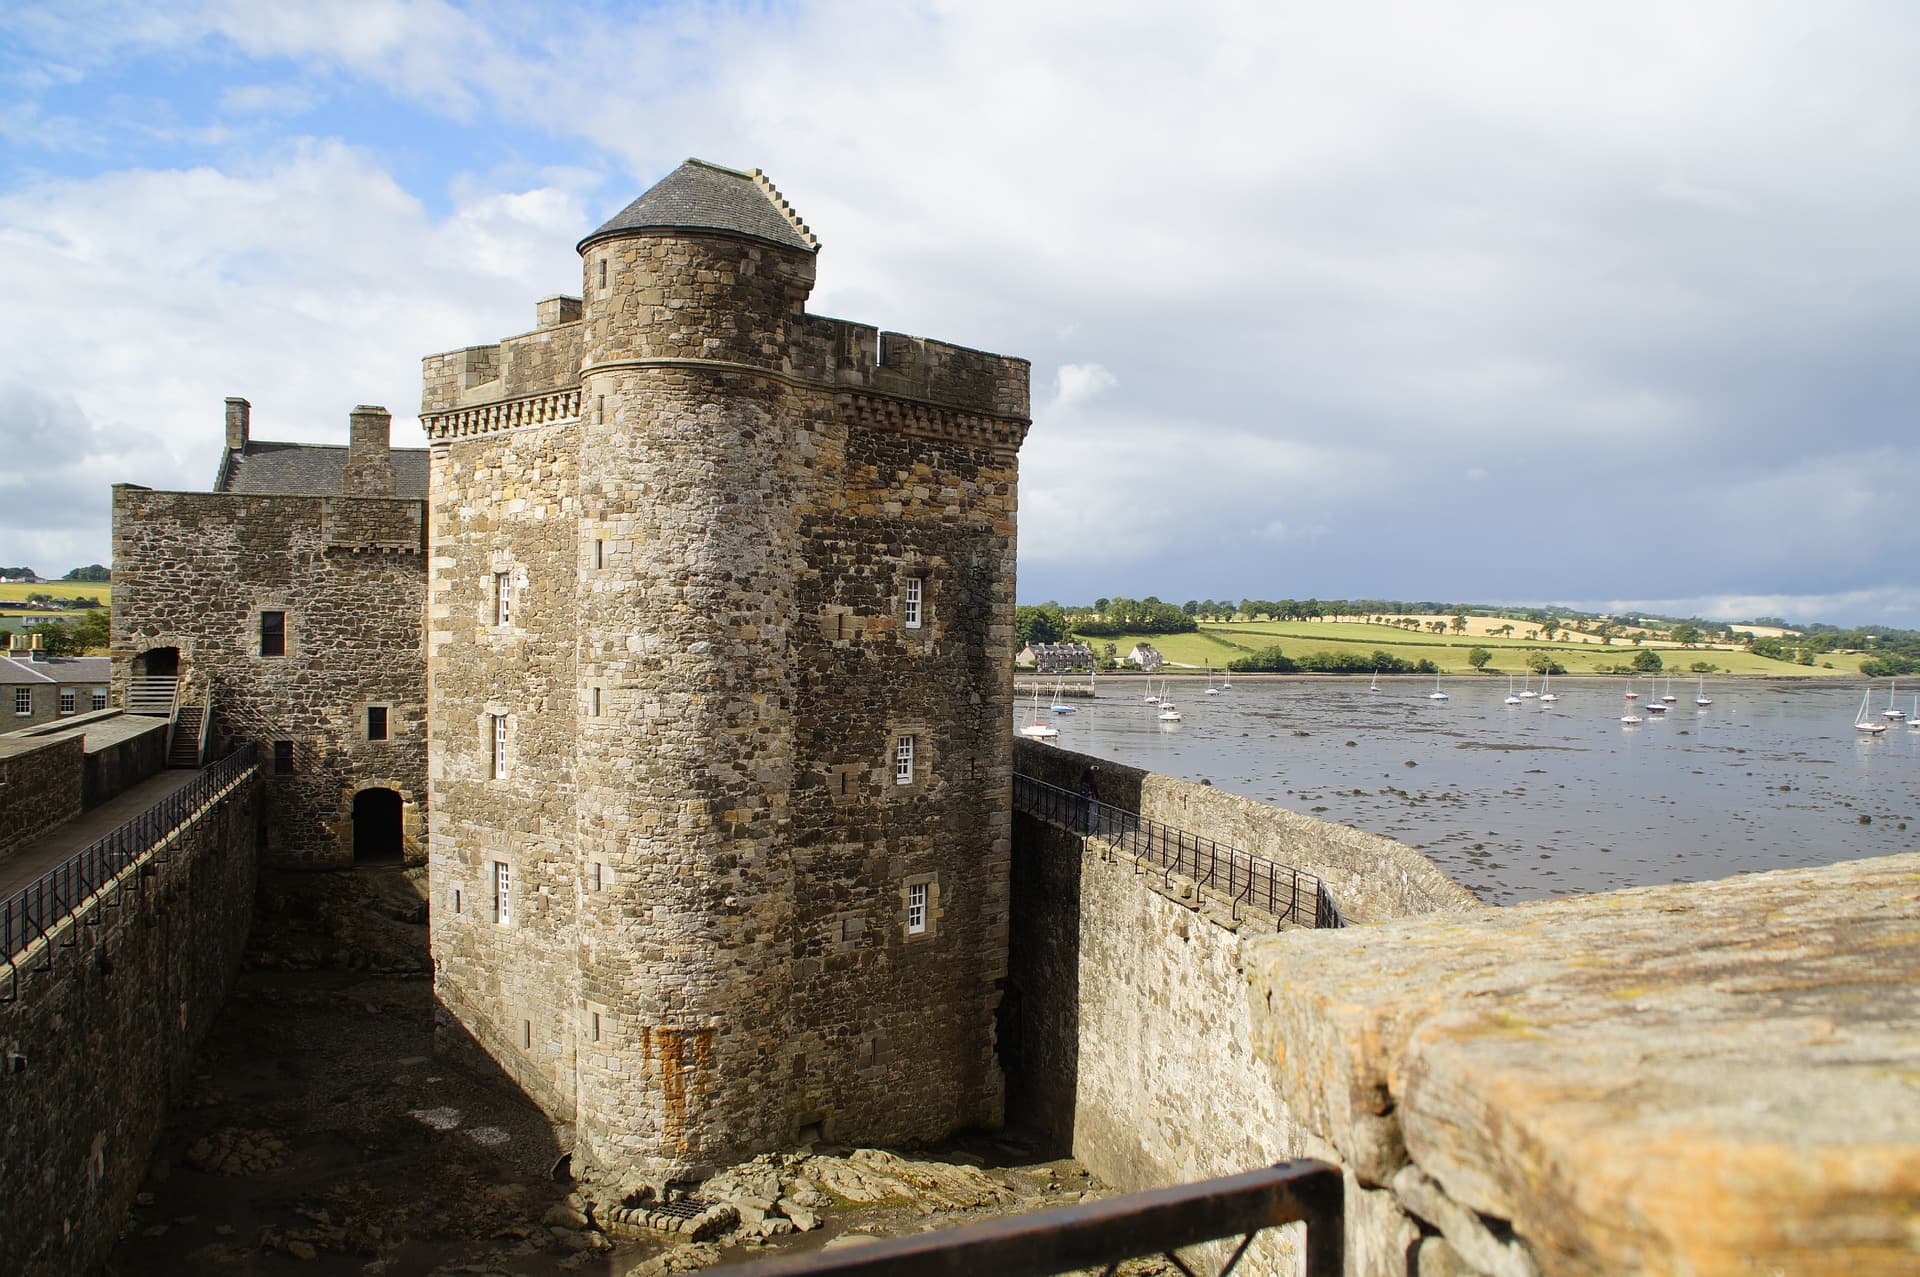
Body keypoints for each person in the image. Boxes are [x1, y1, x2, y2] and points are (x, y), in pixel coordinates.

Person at [1079, 766, 1099, 836]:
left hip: (1084, 797)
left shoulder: (1083, 779)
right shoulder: (1092, 782)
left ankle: (1085, 826)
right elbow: (1096, 792)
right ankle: (1091, 828)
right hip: (1091, 798)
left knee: (1085, 812)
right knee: (1092, 813)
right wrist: (1097, 798)